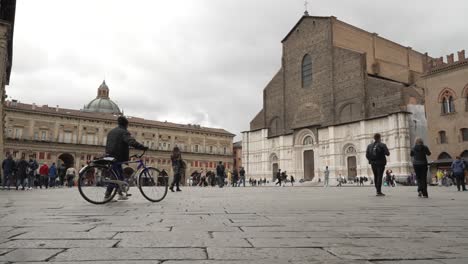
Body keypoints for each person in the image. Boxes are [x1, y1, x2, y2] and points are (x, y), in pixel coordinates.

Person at [104, 116, 148, 200]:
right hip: (118, 156)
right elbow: (131, 141)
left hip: (109, 155)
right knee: (115, 177)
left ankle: (120, 194)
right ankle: (107, 196)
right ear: (126, 124)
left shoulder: (111, 132)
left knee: (119, 176)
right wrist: (142, 147)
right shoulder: (124, 132)